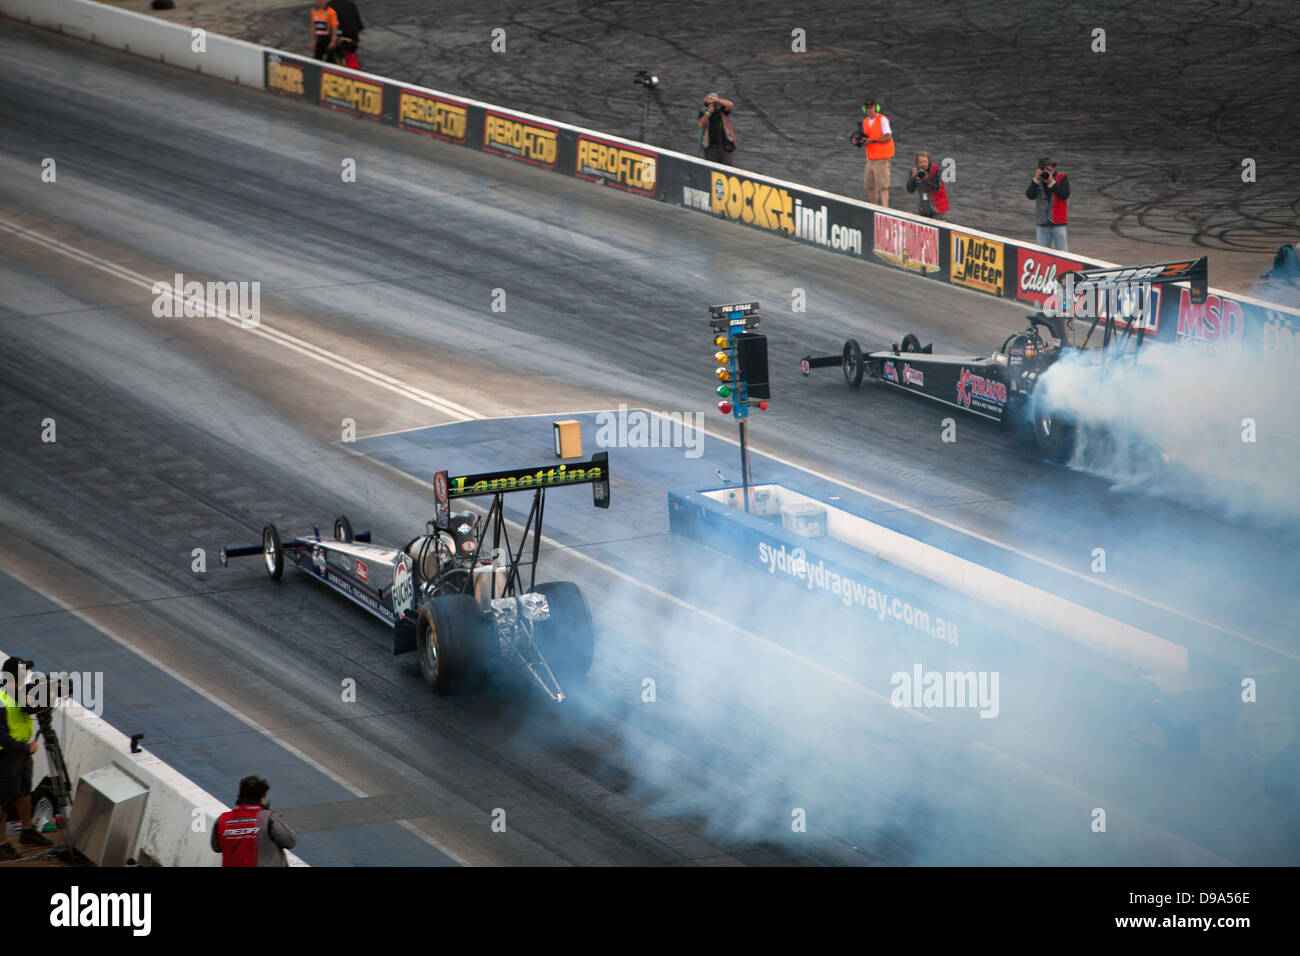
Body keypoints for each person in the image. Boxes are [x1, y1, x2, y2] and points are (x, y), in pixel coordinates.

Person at [0, 658, 52, 862]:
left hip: (21, 751)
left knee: (24, 792)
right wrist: (25, 747)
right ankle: (2, 842)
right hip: (5, 754)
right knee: (1, 799)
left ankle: (27, 830)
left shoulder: (20, 693)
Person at [212, 775, 297, 867]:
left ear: (240, 795)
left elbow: (216, 847)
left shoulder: (221, 820)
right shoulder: (269, 818)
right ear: (262, 798)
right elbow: (290, 841)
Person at [1026, 156, 1069, 250]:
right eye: (1043, 169)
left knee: (1063, 255)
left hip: (1058, 223)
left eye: (1048, 169)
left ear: (1053, 167)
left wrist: (1051, 182)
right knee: (1042, 256)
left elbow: (1064, 195)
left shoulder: (1062, 177)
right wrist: (1036, 180)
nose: (1047, 172)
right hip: (1042, 223)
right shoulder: (1037, 181)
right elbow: (1030, 195)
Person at [860, 98, 894, 207]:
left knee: (883, 186)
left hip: (882, 158)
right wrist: (860, 142)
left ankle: (885, 209)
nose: (870, 110)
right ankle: (874, 207)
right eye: (868, 108)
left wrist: (873, 141)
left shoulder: (882, 120)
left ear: (876, 108)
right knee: (870, 185)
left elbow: (888, 137)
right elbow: (865, 139)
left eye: (871, 107)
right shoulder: (865, 122)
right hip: (870, 158)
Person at [905, 151, 948, 220]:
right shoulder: (915, 171)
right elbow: (910, 190)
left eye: (924, 162)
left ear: (929, 161)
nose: (922, 164)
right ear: (917, 163)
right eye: (920, 162)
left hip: (937, 207)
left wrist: (925, 179)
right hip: (923, 208)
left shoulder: (936, 170)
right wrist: (912, 178)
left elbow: (937, 188)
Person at [697, 92, 736, 166]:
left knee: (728, 167)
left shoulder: (721, 111)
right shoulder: (704, 112)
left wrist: (717, 99)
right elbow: (700, 124)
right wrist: (708, 112)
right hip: (711, 145)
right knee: (712, 167)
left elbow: (730, 104)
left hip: (724, 145)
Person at [330, 0, 365, 70]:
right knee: (351, 55)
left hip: (340, 36)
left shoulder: (330, 6)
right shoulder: (351, 4)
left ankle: (342, 64)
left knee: (338, 53)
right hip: (352, 36)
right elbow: (358, 23)